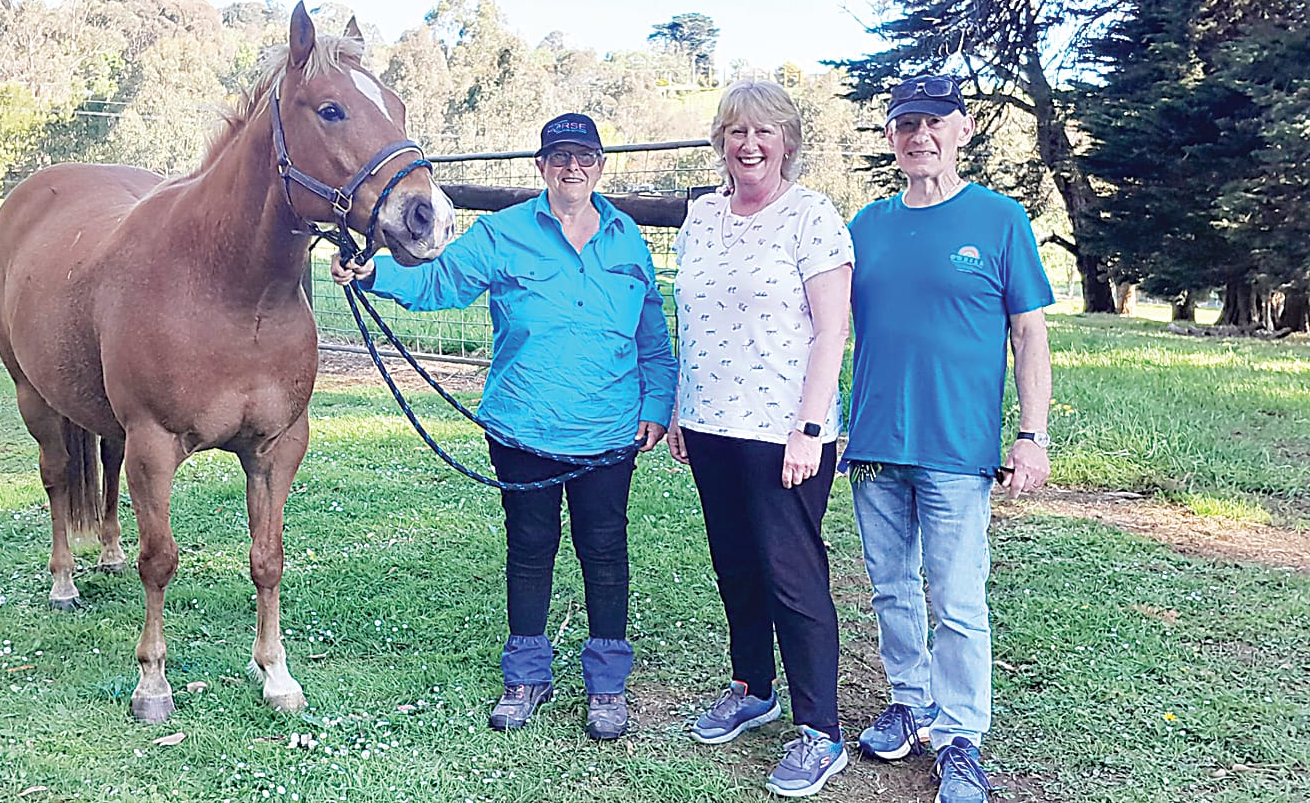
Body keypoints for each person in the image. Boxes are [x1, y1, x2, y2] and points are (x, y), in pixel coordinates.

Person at [330, 113, 676, 741]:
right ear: (542, 167)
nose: (573, 168)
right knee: (531, 547)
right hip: (523, 424)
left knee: (604, 550)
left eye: (585, 157)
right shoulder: (503, 233)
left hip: (610, 429)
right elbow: (440, 281)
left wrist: (658, 403)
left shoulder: (628, 240)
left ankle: (606, 684)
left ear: (600, 166)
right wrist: (374, 273)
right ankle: (525, 675)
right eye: (560, 157)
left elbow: (651, 331)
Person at [843, 74, 1054, 803]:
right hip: (872, 445)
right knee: (891, 586)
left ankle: (961, 737)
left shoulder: (999, 220)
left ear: (963, 130)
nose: (919, 136)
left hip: (958, 451)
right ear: (892, 137)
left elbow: (1029, 336)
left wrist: (1032, 434)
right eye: (906, 124)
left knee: (957, 597)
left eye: (934, 122)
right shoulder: (865, 226)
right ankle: (910, 701)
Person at [665, 79, 854, 798]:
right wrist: (683, 407)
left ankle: (820, 731)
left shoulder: (812, 217)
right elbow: (693, 317)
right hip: (712, 425)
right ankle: (752, 686)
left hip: (785, 433)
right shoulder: (702, 216)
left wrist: (810, 427)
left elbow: (832, 329)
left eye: (765, 133)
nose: (749, 145)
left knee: (793, 576)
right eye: (737, 132)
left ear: (788, 143)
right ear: (721, 141)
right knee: (736, 566)